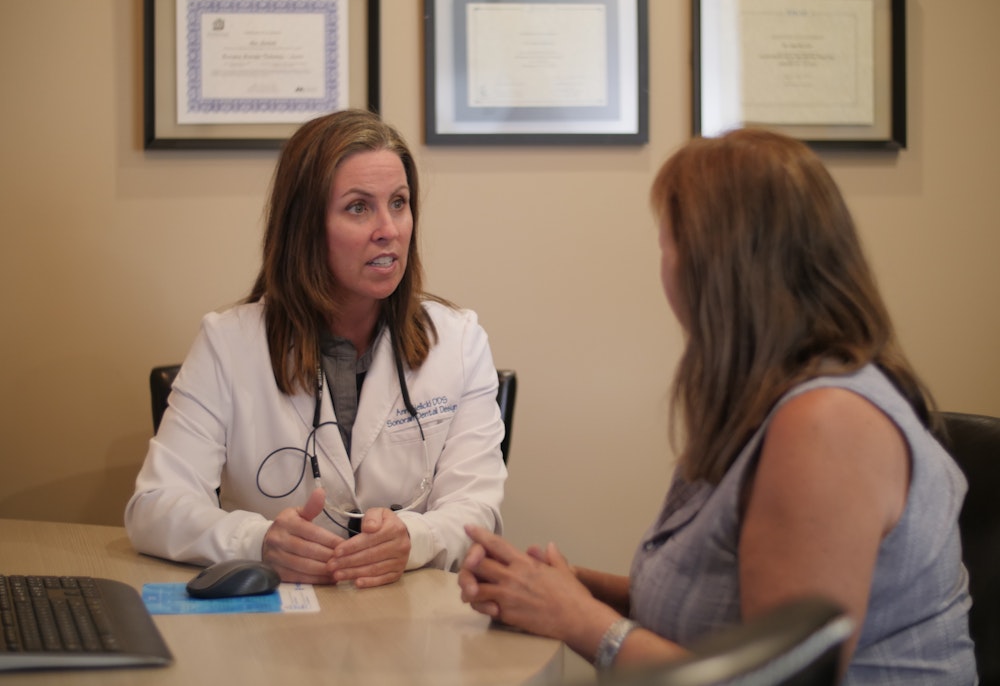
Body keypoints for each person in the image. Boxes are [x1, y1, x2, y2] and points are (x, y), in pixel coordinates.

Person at [458, 128, 976, 683]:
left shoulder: (828, 424)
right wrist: (562, 587)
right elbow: (723, 611)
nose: (663, 264)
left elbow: (776, 678)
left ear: (717, 266)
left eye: (668, 240)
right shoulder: (766, 402)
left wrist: (578, 618)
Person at [126, 109, 507, 589]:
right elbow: (153, 508)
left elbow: (479, 514)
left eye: (399, 202)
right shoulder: (229, 345)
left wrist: (416, 538)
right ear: (304, 226)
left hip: (412, 620)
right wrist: (257, 541)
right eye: (358, 207)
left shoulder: (459, 343)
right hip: (274, 630)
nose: (389, 228)